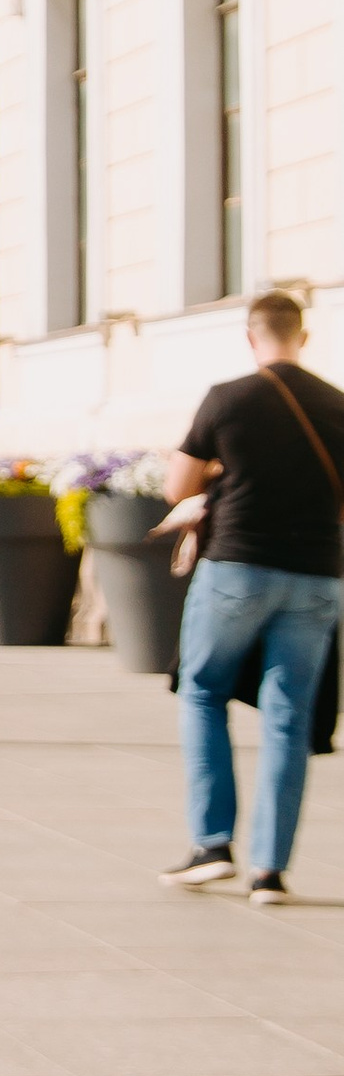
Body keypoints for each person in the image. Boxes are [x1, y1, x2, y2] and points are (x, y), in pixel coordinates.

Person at [160, 289, 344, 904]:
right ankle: (270, 870)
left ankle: (212, 845)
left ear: (250, 336)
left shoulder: (229, 397)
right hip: (319, 574)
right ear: (304, 336)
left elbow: (175, 486)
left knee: (203, 690)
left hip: (237, 568)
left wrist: (218, 475)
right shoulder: (337, 405)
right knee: (290, 717)